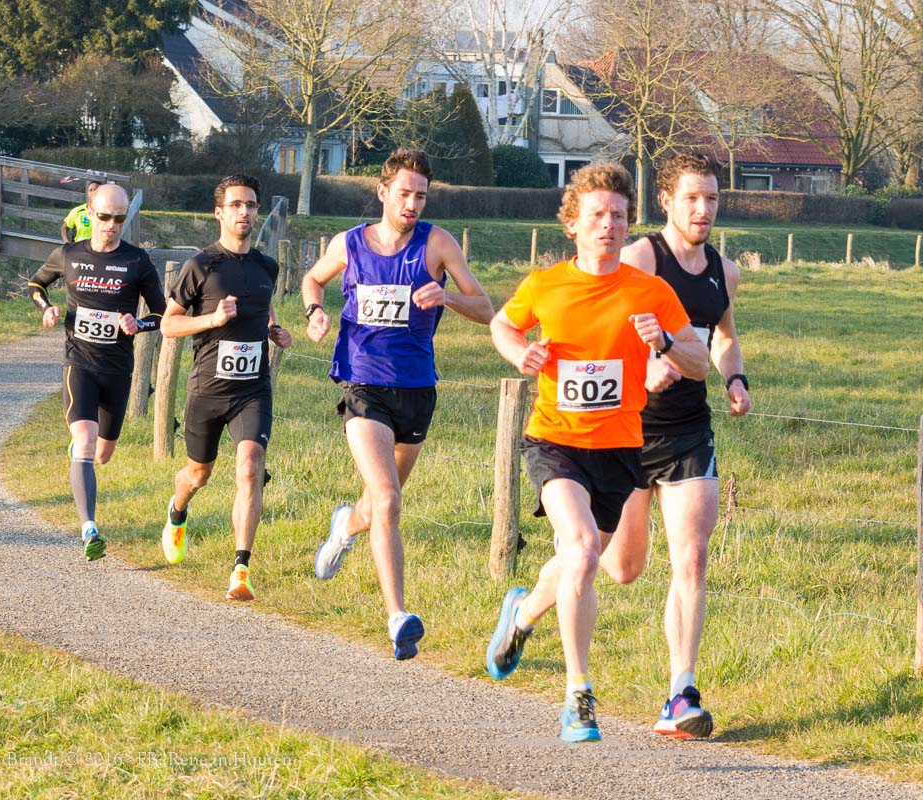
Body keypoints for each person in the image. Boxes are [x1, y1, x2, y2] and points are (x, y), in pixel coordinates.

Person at [485, 162, 708, 743]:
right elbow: (502, 327)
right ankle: (578, 694)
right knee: (582, 549)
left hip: (619, 450)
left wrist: (662, 340)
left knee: (582, 563)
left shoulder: (650, 292)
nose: (609, 225)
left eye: (618, 215)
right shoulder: (544, 285)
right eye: (597, 216)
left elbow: (697, 361)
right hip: (555, 442)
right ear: (573, 225)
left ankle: (523, 613)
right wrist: (520, 355)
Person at [302, 148, 493, 660]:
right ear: (383, 192)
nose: (412, 204)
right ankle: (398, 617)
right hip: (363, 384)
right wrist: (314, 312)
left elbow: (486, 308)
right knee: (388, 500)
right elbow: (312, 279)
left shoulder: (438, 244)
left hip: (417, 390)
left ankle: (344, 526)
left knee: (376, 505)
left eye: (421, 196)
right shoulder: (350, 243)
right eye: (403, 194)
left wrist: (446, 297)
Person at [603, 151, 750, 738]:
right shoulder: (641, 257)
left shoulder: (724, 270)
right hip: (627, 426)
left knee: (691, 555)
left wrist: (734, 378)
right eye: (691, 197)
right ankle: (528, 604)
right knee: (621, 567)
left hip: (690, 428)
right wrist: (646, 366)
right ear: (665, 201)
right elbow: (604, 326)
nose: (703, 209)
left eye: (712, 198)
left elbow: (724, 337)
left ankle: (680, 694)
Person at [159, 174, 292, 602]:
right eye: (235, 205)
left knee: (251, 466)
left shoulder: (266, 266)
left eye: (251, 205)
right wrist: (212, 320)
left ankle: (241, 569)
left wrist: (274, 329)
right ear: (219, 212)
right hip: (207, 389)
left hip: (252, 389)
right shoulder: (200, 266)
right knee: (199, 474)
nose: (244, 213)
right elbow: (168, 324)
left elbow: (264, 302)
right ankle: (178, 510)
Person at [28, 184, 166, 560]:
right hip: (79, 363)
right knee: (86, 445)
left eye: (120, 218)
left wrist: (139, 325)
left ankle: (82, 455)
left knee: (102, 454)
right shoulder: (68, 255)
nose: (111, 225)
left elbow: (161, 313)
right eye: (104, 217)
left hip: (118, 369)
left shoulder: (137, 261)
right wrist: (46, 307)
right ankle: (89, 529)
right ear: (89, 213)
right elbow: (36, 283)